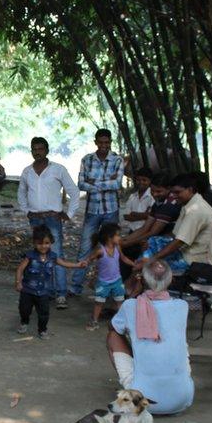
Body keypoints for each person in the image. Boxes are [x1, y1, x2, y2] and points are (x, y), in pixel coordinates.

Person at [106, 259, 194, 415]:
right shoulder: (182, 306)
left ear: (141, 280)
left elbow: (113, 328)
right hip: (182, 399)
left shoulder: (130, 305)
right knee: (175, 342)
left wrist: (134, 293)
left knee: (113, 336)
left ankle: (133, 388)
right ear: (171, 280)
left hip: (142, 401)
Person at [18, 137, 80, 309]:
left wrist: (69, 214)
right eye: (34, 149)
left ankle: (61, 294)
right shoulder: (27, 172)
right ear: (31, 151)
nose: (37, 151)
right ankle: (45, 291)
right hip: (35, 218)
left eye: (40, 148)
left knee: (57, 254)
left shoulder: (58, 169)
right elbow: (21, 193)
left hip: (53, 218)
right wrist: (26, 211)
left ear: (47, 150)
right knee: (39, 255)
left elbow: (74, 192)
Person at [71, 129, 125, 299]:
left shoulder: (117, 160)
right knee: (85, 248)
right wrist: (105, 182)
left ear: (110, 142)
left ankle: (113, 286)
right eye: (100, 142)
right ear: (95, 142)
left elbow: (117, 184)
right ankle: (75, 287)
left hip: (111, 210)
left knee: (112, 248)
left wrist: (93, 182)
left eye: (106, 143)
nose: (103, 146)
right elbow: (80, 184)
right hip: (92, 210)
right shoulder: (87, 159)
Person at [136, 172, 212, 276]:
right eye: (173, 193)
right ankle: (137, 276)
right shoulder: (189, 204)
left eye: (177, 192)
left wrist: (151, 260)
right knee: (151, 242)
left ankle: (138, 279)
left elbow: (178, 242)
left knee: (151, 266)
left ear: (190, 190)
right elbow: (175, 235)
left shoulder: (196, 210)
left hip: (193, 258)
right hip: (185, 250)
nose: (174, 196)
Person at [15, 225, 86, 339]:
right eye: (40, 243)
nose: (43, 246)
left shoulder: (52, 256)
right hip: (27, 290)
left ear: (51, 242)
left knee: (44, 313)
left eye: (46, 243)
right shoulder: (30, 256)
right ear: (34, 243)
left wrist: (77, 265)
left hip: (43, 292)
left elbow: (64, 263)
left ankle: (42, 330)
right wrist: (18, 282)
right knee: (24, 309)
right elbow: (20, 269)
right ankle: (24, 322)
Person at [82, 223, 136, 330]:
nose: (120, 237)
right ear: (109, 237)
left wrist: (135, 264)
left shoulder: (117, 248)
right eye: (118, 235)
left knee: (119, 301)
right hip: (103, 282)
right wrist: (85, 263)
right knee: (99, 303)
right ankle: (94, 321)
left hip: (117, 280)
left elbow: (123, 258)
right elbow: (90, 258)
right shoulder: (100, 250)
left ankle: (122, 321)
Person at [121, 167, 155, 235]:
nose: (141, 182)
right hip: (131, 231)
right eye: (138, 180)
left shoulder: (153, 197)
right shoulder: (132, 196)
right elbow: (126, 216)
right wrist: (144, 216)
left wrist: (134, 213)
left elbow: (151, 216)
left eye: (144, 180)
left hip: (146, 232)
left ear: (150, 181)